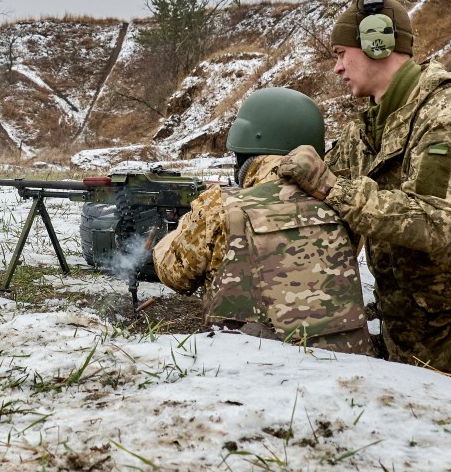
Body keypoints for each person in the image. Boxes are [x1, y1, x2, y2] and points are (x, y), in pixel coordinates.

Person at [278, 0, 451, 380]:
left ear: (376, 43)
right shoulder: (372, 125)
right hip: (413, 339)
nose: (337, 68)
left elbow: (433, 221)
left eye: (339, 53)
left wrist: (335, 188)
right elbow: (319, 177)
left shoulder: (447, 113)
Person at [153, 87, 373, 355]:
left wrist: (179, 231)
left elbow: (176, 275)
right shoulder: (343, 199)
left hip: (255, 368)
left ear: (245, 152)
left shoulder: (220, 207)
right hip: (350, 367)